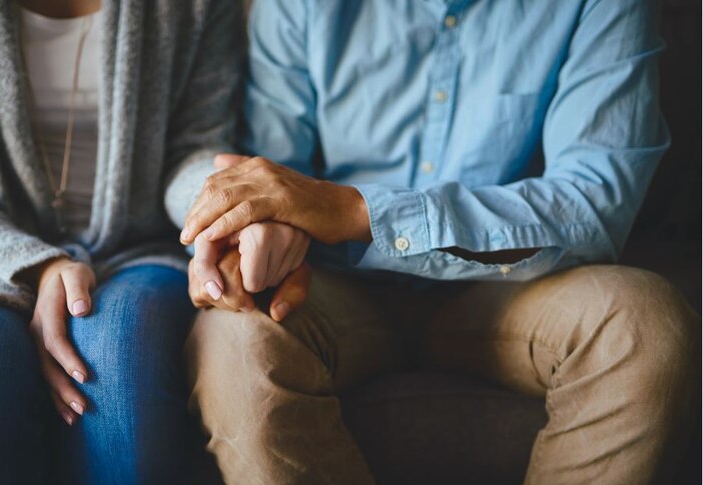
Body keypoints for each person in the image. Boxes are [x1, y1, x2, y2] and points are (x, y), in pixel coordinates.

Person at [172, 0, 701, 483]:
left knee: (644, 325)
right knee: (234, 342)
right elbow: (270, 174)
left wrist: (356, 211)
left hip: (512, 286)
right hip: (333, 286)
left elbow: (593, 204)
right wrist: (259, 238)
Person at [0, 0, 242, 483]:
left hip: (140, 247)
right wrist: (37, 264)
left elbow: (194, 148)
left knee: (121, 354)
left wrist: (221, 203)